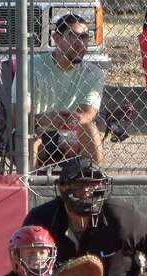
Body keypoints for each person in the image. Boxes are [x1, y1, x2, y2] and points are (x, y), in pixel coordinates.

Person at [30, 13, 107, 168]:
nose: (80, 43)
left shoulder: (94, 73)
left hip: (73, 132)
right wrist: (45, 119)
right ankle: (28, 187)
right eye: (73, 36)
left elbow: (88, 114)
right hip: (38, 129)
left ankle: (96, 181)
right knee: (30, 140)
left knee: (90, 128)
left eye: (84, 37)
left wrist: (69, 124)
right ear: (56, 38)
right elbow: (15, 114)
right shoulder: (32, 66)